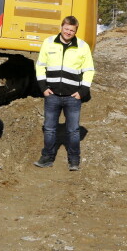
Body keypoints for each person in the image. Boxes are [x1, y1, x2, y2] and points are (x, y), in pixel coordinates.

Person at [33, 16, 95, 171]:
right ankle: (47, 157)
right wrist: (43, 87)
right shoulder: (48, 43)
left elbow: (89, 70)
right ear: (61, 27)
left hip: (72, 97)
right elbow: (40, 66)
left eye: (72, 30)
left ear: (75, 31)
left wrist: (82, 91)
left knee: (73, 130)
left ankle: (74, 160)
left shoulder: (82, 46)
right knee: (49, 128)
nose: (68, 32)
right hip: (52, 95)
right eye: (66, 29)